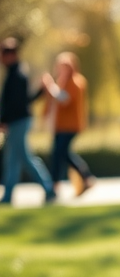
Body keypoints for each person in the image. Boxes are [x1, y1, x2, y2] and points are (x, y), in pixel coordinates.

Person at [1, 38, 56, 206]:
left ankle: (48, 188)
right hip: (18, 121)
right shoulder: (15, 72)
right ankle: (9, 194)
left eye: (3, 55)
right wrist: (40, 91)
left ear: (11, 55)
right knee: (12, 159)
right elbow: (26, 99)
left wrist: (3, 120)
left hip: (19, 121)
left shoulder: (17, 74)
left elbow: (17, 103)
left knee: (24, 157)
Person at [41, 51, 96, 195]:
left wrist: (51, 86)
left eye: (65, 66)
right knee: (59, 154)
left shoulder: (76, 82)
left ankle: (84, 177)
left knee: (61, 152)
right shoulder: (62, 82)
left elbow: (64, 99)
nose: (62, 70)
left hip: (71, 125)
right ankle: (60, 183)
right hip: (59, 125)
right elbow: (53, 101)